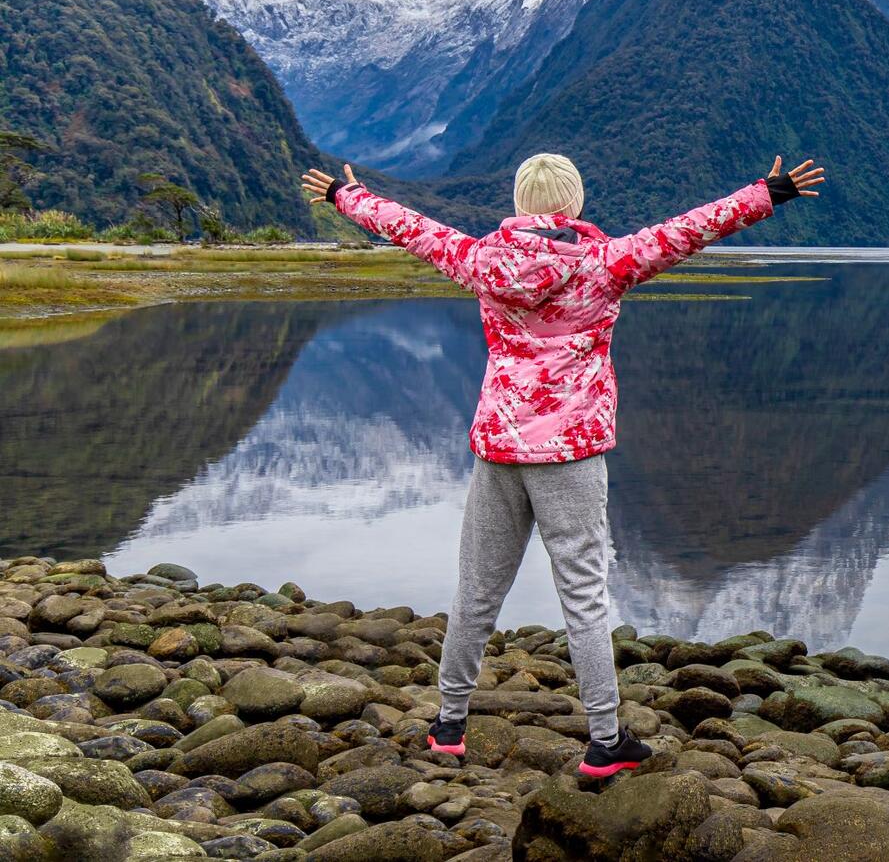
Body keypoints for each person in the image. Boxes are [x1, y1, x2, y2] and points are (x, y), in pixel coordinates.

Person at [301, 151, 825, 777]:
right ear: (574, 204)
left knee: (476, 589)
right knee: (583, 595)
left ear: (520, 204)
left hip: (499, 446)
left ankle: (447, 724)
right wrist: (770, 192)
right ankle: (604, 740)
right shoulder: (608, 263)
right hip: (570, 453)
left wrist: (343, 195)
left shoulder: (480, 259)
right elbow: (692, 228)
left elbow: (409, 226)